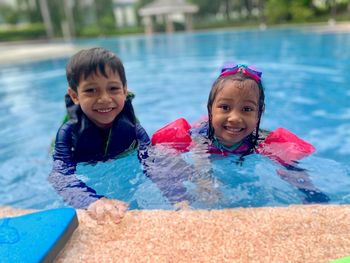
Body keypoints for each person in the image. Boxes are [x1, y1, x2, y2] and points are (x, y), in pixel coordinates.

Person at [152, 63, 330, 204]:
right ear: (210, 108)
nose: (235, 118)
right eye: (225, 107)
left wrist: (311, 194)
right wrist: (204, 185)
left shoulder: (262, 141)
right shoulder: (200, 137)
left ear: (260, 112)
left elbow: (295, 171)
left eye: (246, 109)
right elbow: (199, 164)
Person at [49, 47, 150, 223]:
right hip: (85, 167)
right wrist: (90, 201)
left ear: (124, 91)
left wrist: (179, 197)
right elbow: (60, 176)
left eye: (113, 88)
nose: (104, 98)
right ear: (74, 96)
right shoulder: (68, 134)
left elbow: (155, 163)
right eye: (91, 90)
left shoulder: (134, 129)